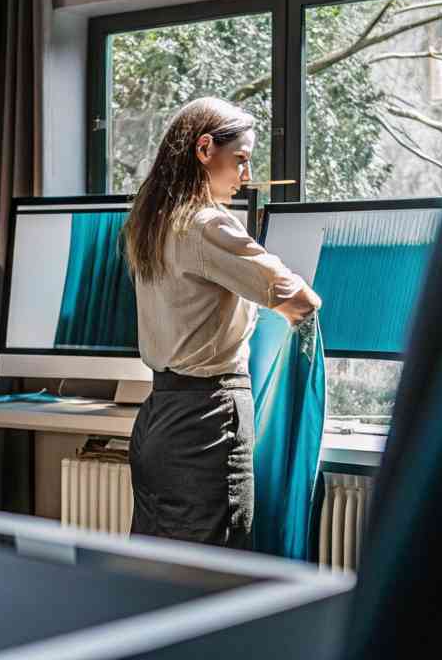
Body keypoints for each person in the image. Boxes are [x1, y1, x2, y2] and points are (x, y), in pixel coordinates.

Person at [123, 96, 321, 549]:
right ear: (205, 148)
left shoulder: (150, 223)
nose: (246, 176)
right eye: (242, 160)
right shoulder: (208, 225)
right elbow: (300, 301)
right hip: (206, 422)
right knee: (217, 578)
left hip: (158, 419)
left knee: (158, 577)